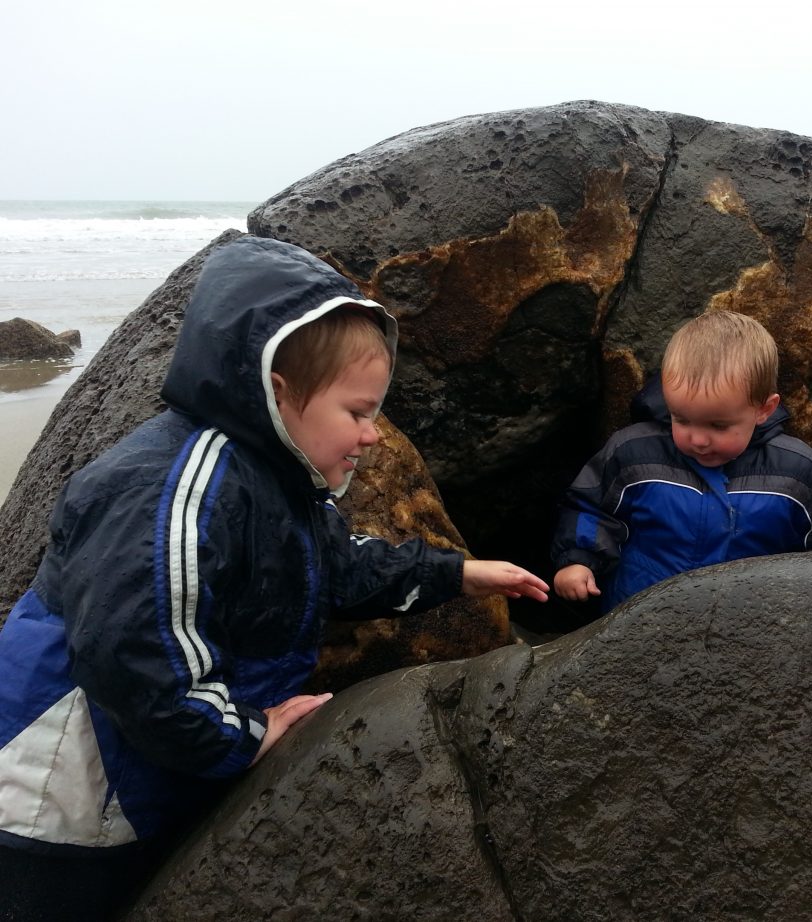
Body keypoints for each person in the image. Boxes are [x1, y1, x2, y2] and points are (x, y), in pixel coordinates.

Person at [0, 236, 548, 922]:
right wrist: (245, 737)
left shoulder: (279, 483)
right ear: (276, 392)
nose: (373, 435)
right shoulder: (176, 490)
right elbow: (132, 657)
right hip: (58, 791)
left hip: (143, 773)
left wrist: (457, 574)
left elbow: (338, 571)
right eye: (357, 412)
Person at [551, 309, 812, 612]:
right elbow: (592, 508)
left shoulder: (797, 472)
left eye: (718, 425)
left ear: (763, 409)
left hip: (752, 621)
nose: (697, 439)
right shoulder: (633, 453)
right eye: (681, 419)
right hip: (640, 613)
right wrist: (578, 560)